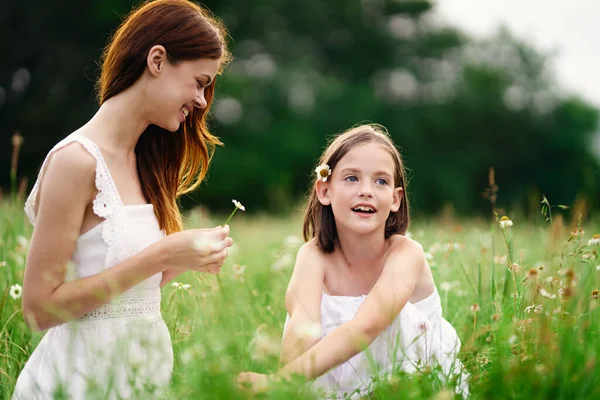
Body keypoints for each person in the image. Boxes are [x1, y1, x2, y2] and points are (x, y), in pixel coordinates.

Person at [13, 0, 233, 398]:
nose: (202, 100)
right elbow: (38, 309)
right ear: (157, 60)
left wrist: (184, 258)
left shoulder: (147, 162)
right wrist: (163, 255)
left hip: (138, 375)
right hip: (78, 381)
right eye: (199, 82)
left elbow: (129, 288)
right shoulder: (75, 161)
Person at [238, 124, 469, 399]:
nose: (366, 191)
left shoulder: (406, 254)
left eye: (381, 181)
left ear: (395, 200)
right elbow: (302, 329)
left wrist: (277, 381)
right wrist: (283, 386)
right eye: (351, 178)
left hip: (414, 380)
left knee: (391, 320)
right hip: (340, 380)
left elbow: (365, 328)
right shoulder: (313, 257)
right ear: (325, 191)